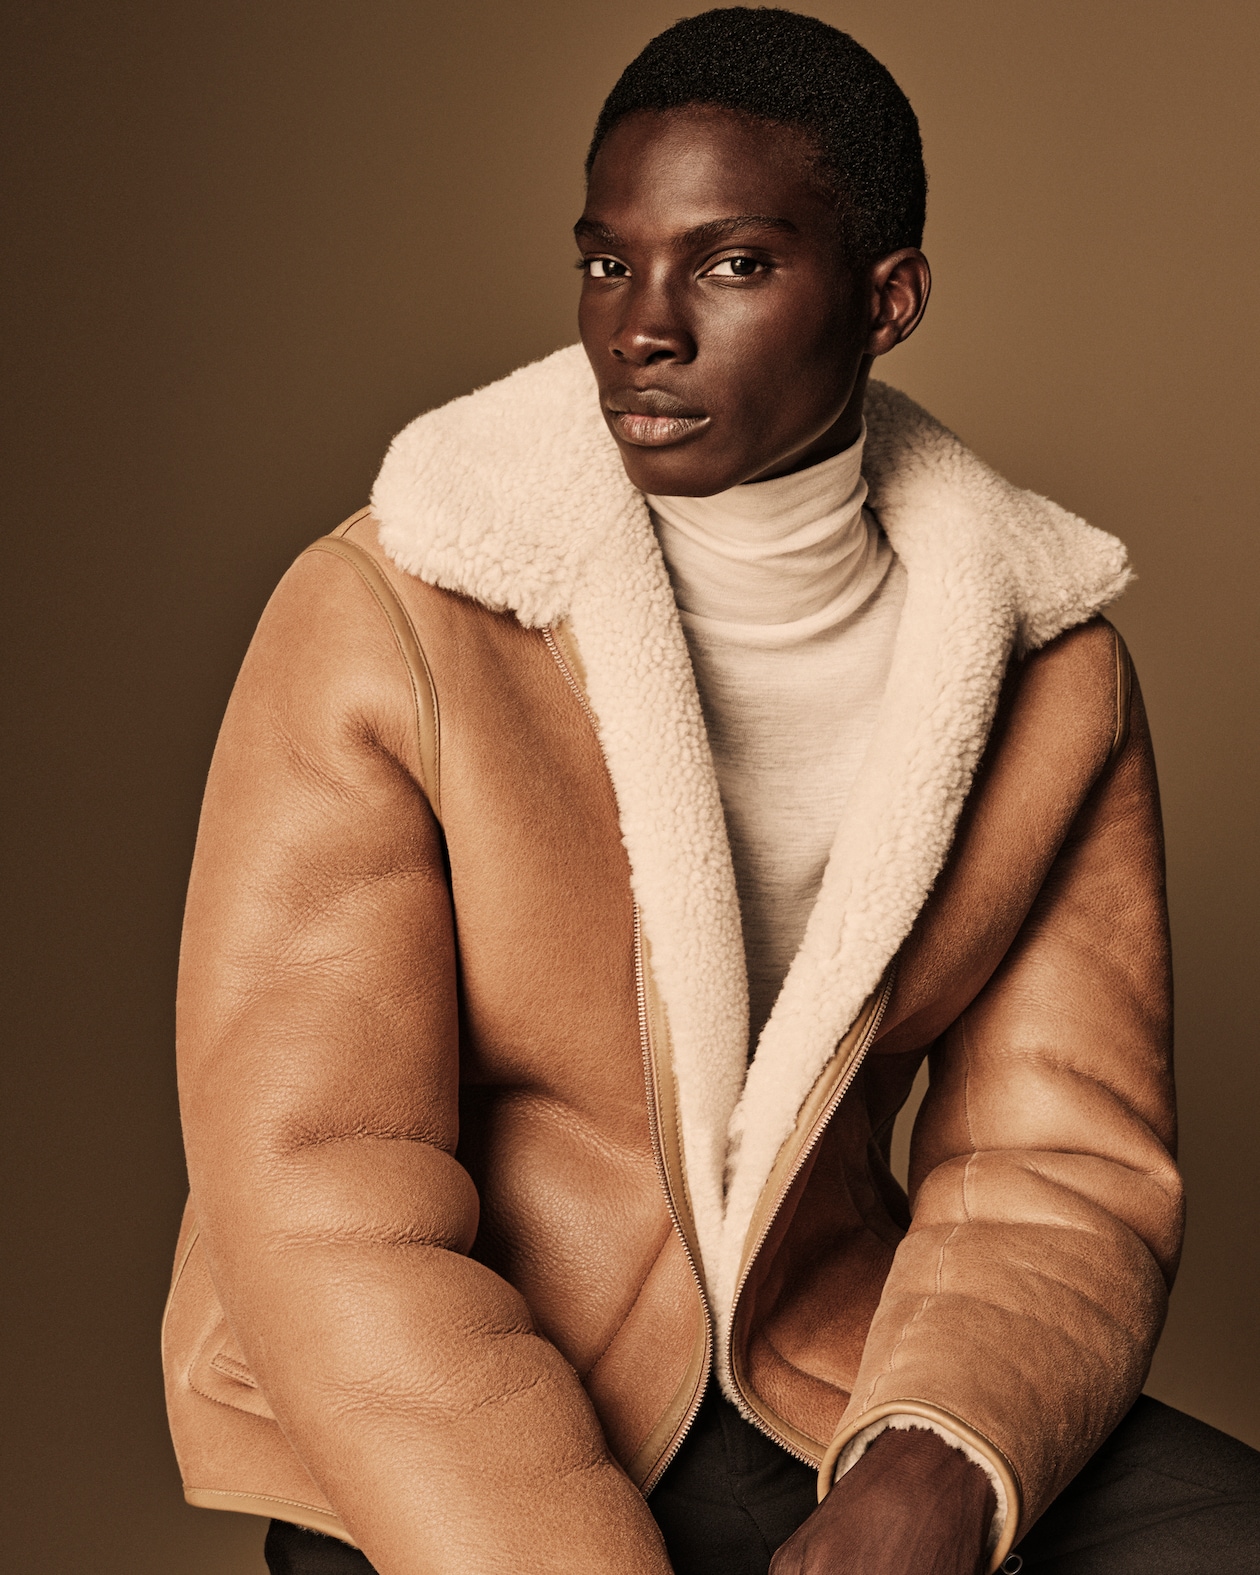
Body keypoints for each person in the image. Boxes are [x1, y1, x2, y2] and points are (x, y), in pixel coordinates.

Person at [162, 10, 1260, 1575]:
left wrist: (931, 1463)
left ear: (890, 300)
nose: (642, 328)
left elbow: (1053, 1159)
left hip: (822, 1379)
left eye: (732, 262)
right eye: (609, 262)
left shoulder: (1043, 671)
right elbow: (318, 1180)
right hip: (444, 1412)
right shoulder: (392, 613)